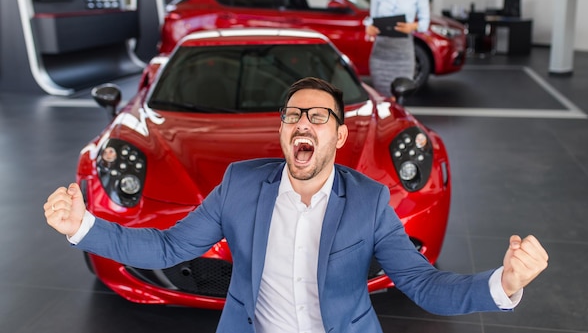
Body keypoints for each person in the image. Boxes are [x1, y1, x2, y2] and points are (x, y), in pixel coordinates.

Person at [44, 77, 548, 333]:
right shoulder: (240, 184)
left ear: (340, 134)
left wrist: (502, 285)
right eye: (292, 115)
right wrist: (83, 226)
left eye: (318, 115)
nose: (303, 123)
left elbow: (422, 284)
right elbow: (169, 245)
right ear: (283, 130)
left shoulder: (369, 200)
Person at [366, 0, 431, 97]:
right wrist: (369, 27)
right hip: (380, 53)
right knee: (382, 101)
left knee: (398, 101)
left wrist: (412, 26)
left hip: (403, 54)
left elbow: (424, 23)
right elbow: (371, 19)